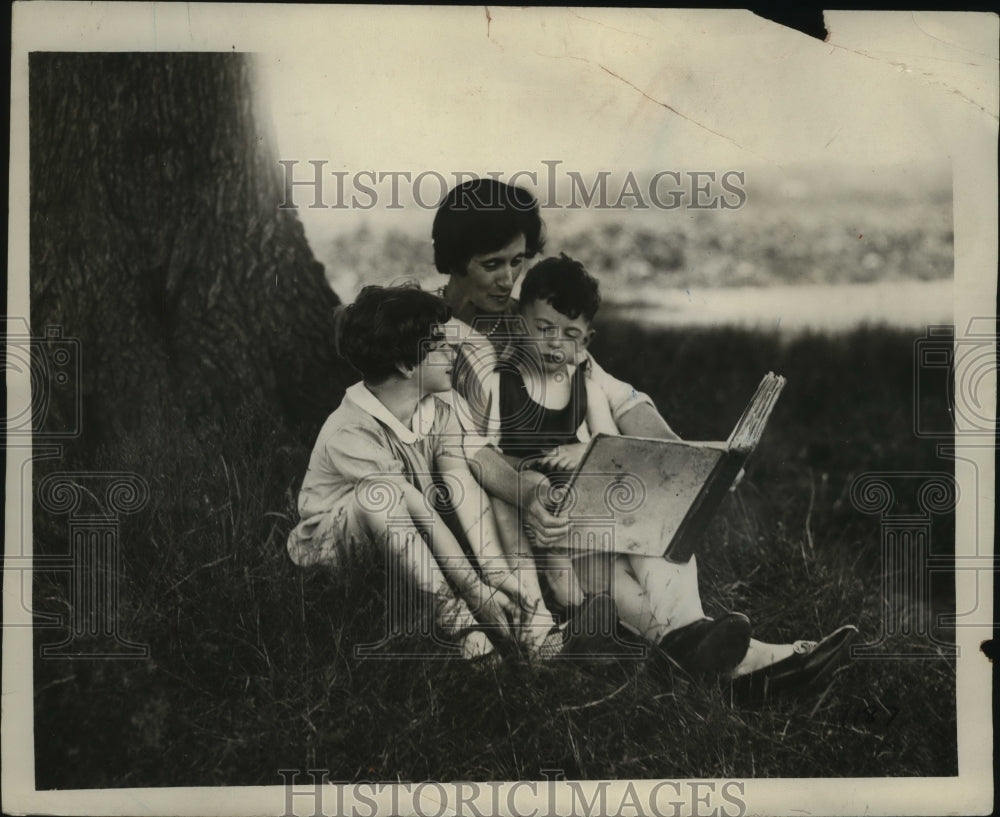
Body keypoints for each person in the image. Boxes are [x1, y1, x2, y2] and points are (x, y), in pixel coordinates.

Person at [431, 178, 857, 693]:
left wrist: (681, 458)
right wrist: (531, 490)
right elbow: (465, 450)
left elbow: (618, 396)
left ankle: (720, 657)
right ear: (455, 259)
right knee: (609, 547)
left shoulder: (534, 322)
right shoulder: (437, 339)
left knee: (655, 504)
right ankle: (746, 660)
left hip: (571, 506)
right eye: (491, 264)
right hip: (505, 515)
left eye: (516, 262)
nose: (507, 279)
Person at [285, 285, 562, 662]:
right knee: (378, 496)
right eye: (439, 344)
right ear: (406, 365)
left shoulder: (440, 408)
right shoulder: (350, 428)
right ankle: (458, 624)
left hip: (408, 538)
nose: (453, 350)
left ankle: (531, 622)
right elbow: (412, 504)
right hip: (339, 556)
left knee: (486, 484)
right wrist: (473, 589)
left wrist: (493, 575)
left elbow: (461, 485)